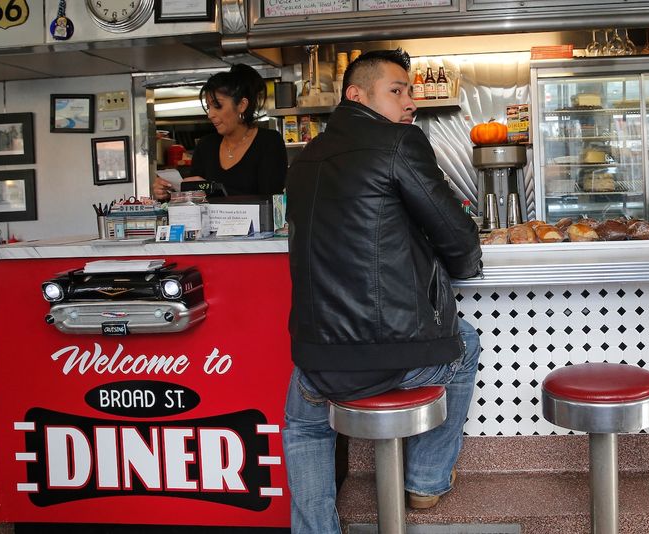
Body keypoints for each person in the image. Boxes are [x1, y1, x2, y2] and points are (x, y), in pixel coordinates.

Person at [283, 49, 482, 533]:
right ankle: (427, 482)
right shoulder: (399, 143)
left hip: (319, 361)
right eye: (397, 91)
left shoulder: (306, 156)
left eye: (411, 91)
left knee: (304, 424)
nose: (410, 102)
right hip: (396, 355)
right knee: (468, 341)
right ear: (356, 94)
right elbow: (456, 236)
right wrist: (464, 265)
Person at [152, 64, 287, 200]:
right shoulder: (206, 146)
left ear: (241, 105)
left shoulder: (268, 142)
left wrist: (210, 188)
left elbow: (272, 201)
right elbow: (193, 202)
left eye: (217, 106)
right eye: (208, 107)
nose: (210, 114)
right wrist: (169, 193)